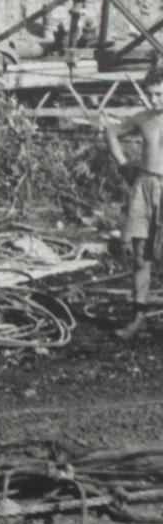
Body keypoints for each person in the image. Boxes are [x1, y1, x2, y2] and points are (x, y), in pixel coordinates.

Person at [103, 69, 163, 339]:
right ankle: (138, 317)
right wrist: (124, 165)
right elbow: (112, 132)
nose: (155, 100)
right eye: (150, 95)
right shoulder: (145, 119)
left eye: (160, 94)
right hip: (143, 185)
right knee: (140, 255)